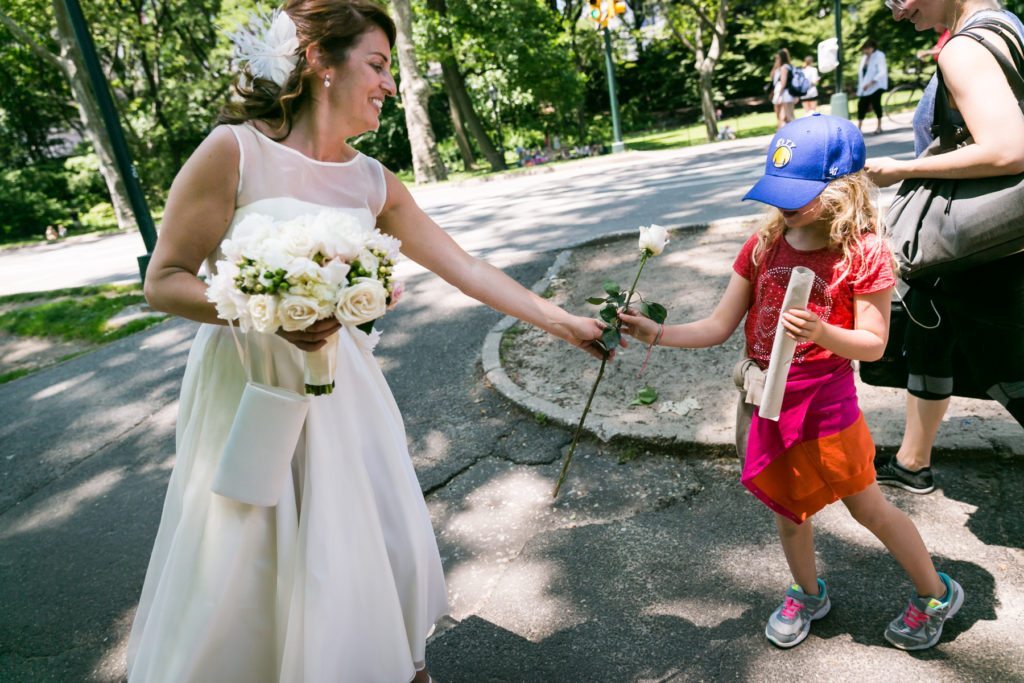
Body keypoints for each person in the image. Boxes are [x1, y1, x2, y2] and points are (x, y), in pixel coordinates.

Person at [128, 2, 607, 681]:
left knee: (367, 540)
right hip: (247, 388)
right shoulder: (233, 151)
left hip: (342, 393)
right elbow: (164, 280)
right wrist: (263, 309)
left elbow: (465, 267)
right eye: (377, 66)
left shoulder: (373, 180)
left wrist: (566, 323)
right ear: (321, 62)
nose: (389, 84)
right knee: (248, 560)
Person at [619, 114, 963, 651]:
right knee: (787, 510)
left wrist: (826, 331)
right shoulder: (764, 244)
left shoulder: (863, 253)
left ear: (844, 187)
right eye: (777, 191)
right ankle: (808, 592)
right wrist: (655, 333)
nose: (783, 204)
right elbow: (717, 326)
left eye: (798, 193)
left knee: (867, 506)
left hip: (826, 407)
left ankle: (934, 592)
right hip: (766, 404)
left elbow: (872, 344)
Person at [867, 0, 1024, 494]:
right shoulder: (1008, 25)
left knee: (1008, 372)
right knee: (927, 334)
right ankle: (913, 462)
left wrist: (902, 169)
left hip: (981, 251)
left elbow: (1008, 148)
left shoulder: (962, 50)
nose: (895, 12)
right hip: (981, 245)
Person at [856, 39, 889, 134]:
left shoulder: (879, 55)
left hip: (876, 85)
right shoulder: (864, 58)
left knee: (876, 104)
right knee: (861, 105)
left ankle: (879, 127)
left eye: (866, 49)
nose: (864, 51)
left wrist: (871, 83)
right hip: (865, 87)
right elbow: (862, 74)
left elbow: (882, 71)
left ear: (871, 48)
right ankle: (859, 128)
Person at [770, 48, 797, 130]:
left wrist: (779, 95)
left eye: (777, 58)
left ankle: (795, 133)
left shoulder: (784, 68)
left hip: (785, 93)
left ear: (781, 58)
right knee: (789, 115)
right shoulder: (790, 67)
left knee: (788, 116)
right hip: (790, 93)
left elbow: (783, 83)